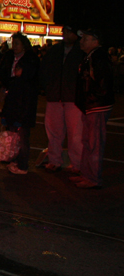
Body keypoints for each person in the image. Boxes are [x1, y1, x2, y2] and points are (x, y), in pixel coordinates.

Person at [70, 28, 115, 188]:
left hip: (96, 106)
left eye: (86, 38)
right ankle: (87, 174)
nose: (81, 41)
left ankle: (93, 178)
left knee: (93, 143)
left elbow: (102, 83)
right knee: (88, 141)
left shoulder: (98, 57)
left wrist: (91, 99)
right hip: (91, 105)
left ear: (96, 41)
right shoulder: (91, 56)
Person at [39, 25, 83, 172]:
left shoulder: (81, 51)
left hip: (72, 98)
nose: (65, 35)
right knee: (54, 132)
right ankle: (54, 160)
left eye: (69, 32)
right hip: (55, 96)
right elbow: (44, 70)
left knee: (75, 134)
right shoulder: (55, 51)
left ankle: (76, 164)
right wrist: (48, 87)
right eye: (64, 32)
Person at [0, 32, 40, 175]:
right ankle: (14, 160)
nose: (14, 46)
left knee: (22, 135)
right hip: (13, 97)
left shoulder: (30, 60)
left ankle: (22, 165)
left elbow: (30, 83)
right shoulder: (10, 58)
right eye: (13, 43)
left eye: (17, 43)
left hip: (24, 99)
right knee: (12, 135)